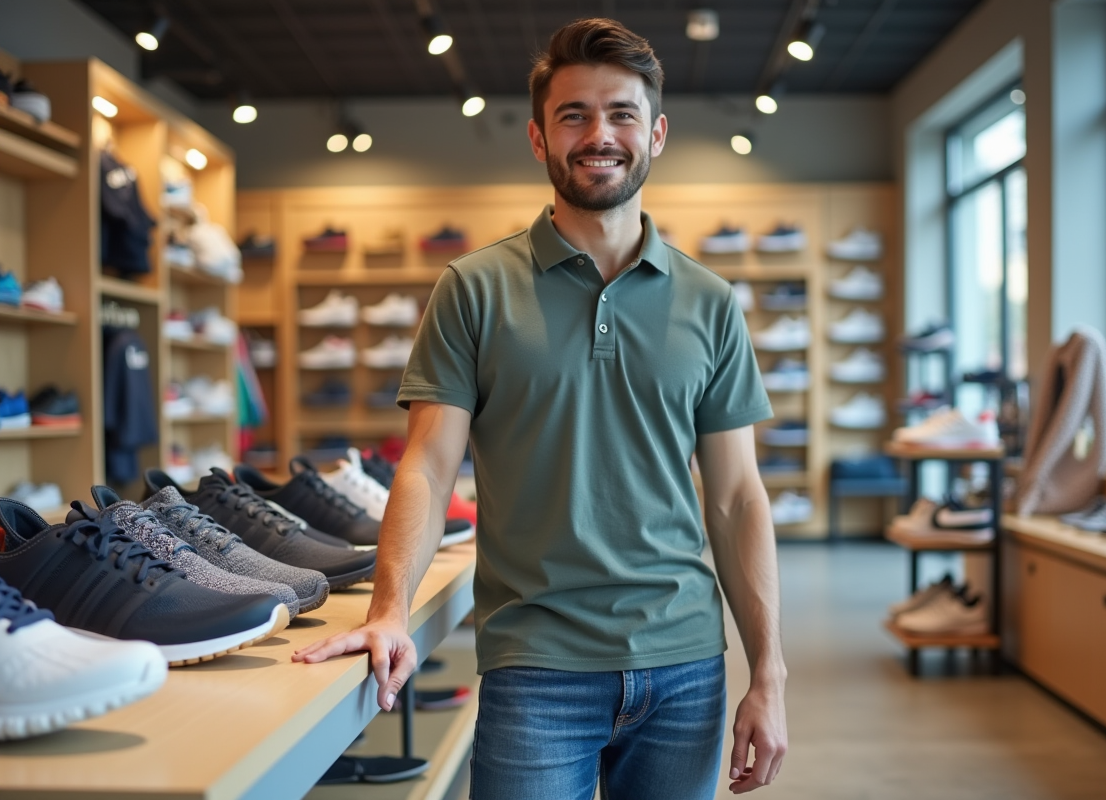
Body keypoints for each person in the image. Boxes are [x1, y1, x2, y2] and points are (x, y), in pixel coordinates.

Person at [295, 17, 788, 797]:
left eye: (622, 113)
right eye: (575, 115)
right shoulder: (474, 289)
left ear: (655, 133)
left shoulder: (711, 302)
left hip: (685, 667)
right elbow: (425, 462)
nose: (601, 134)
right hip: (536, 668)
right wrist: (390, 608)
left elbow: (736, 497)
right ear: (539, 138)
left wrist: (770, 672)